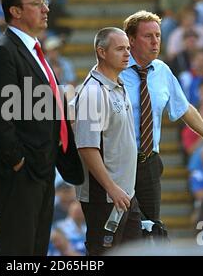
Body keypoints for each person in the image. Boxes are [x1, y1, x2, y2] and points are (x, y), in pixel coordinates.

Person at [0, 0, 83, 255]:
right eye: (37, 4)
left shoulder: (35, 50)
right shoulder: (3, 51)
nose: (46, 9)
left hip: (43, 166)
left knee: (36, 247)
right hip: (21, 171)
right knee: (18, 248)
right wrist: (17, 160)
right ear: (15, 11)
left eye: (45, 3)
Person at [119, 10, 203, 222]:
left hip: (148, 162)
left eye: (158, 36)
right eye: (148, 36)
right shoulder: (113, 69)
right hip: (117, 161)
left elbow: (184, 108)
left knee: (150, 228)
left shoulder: (162, 71)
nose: (155, 42)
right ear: (131, 40)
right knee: (117, 230)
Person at [74, 27, 141, 255]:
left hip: (126, 194)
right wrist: (112, 188)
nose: (127, 54)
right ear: (101, 52)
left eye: (128, 49)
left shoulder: (118, 85)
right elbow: (87, 147)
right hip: (105, 196)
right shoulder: (93, 92)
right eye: (120, 49)